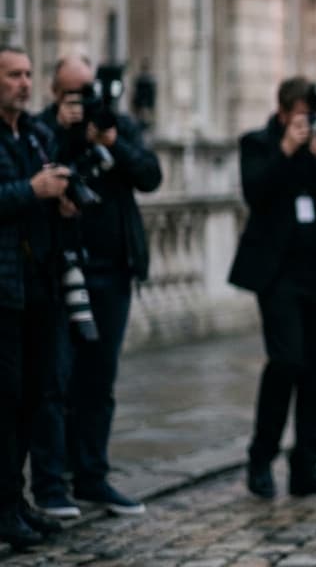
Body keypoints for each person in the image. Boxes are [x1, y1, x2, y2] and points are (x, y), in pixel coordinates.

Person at [31, 57, 161, 519]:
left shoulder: (117, 125)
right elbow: (41, 177)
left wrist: (113, 142)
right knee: (54, 379)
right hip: (61, 269)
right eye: (73, 94)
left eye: (88, 92)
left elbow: (151, 175)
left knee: (99, 380)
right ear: (54, 92)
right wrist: (68, 137)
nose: (83, 102)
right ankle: (50, 482)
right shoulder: (42, 128)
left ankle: (93, 476)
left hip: (113, 269)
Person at [229, 77, 316, 499]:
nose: (310, 121)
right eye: (304, 113)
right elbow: (256, 192)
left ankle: (307, 467)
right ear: (286, 111)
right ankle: (261, 459)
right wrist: (287, 149)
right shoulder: (258, 142)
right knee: (286, 362)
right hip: (279, 275)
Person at [0, 44, 68, 549]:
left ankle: (16, 499)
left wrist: (61, 199)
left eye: (28, 74)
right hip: (3, 287)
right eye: (13, 75)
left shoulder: (36, 136)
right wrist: (32, 191)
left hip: (38, 283)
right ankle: (3, 508)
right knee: (5, 398)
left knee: (32, 395)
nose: (24, 83)